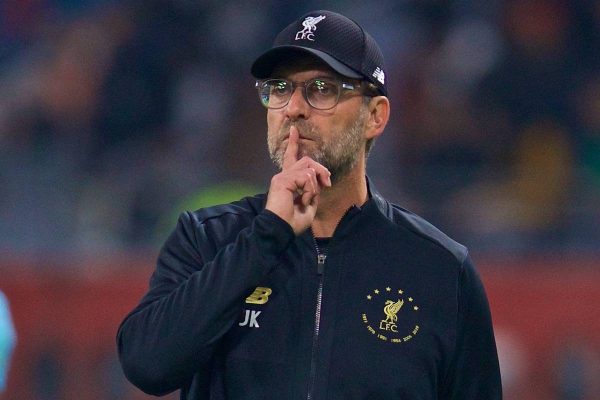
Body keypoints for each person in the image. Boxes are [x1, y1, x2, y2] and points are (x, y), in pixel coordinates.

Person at [117, 10, 502, 399]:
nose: (294, 108)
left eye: (321, 89)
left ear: (375, 116)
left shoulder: (439, 269)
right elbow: (148, 365)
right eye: (280, 88)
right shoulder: (207, 240)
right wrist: (268, 234)